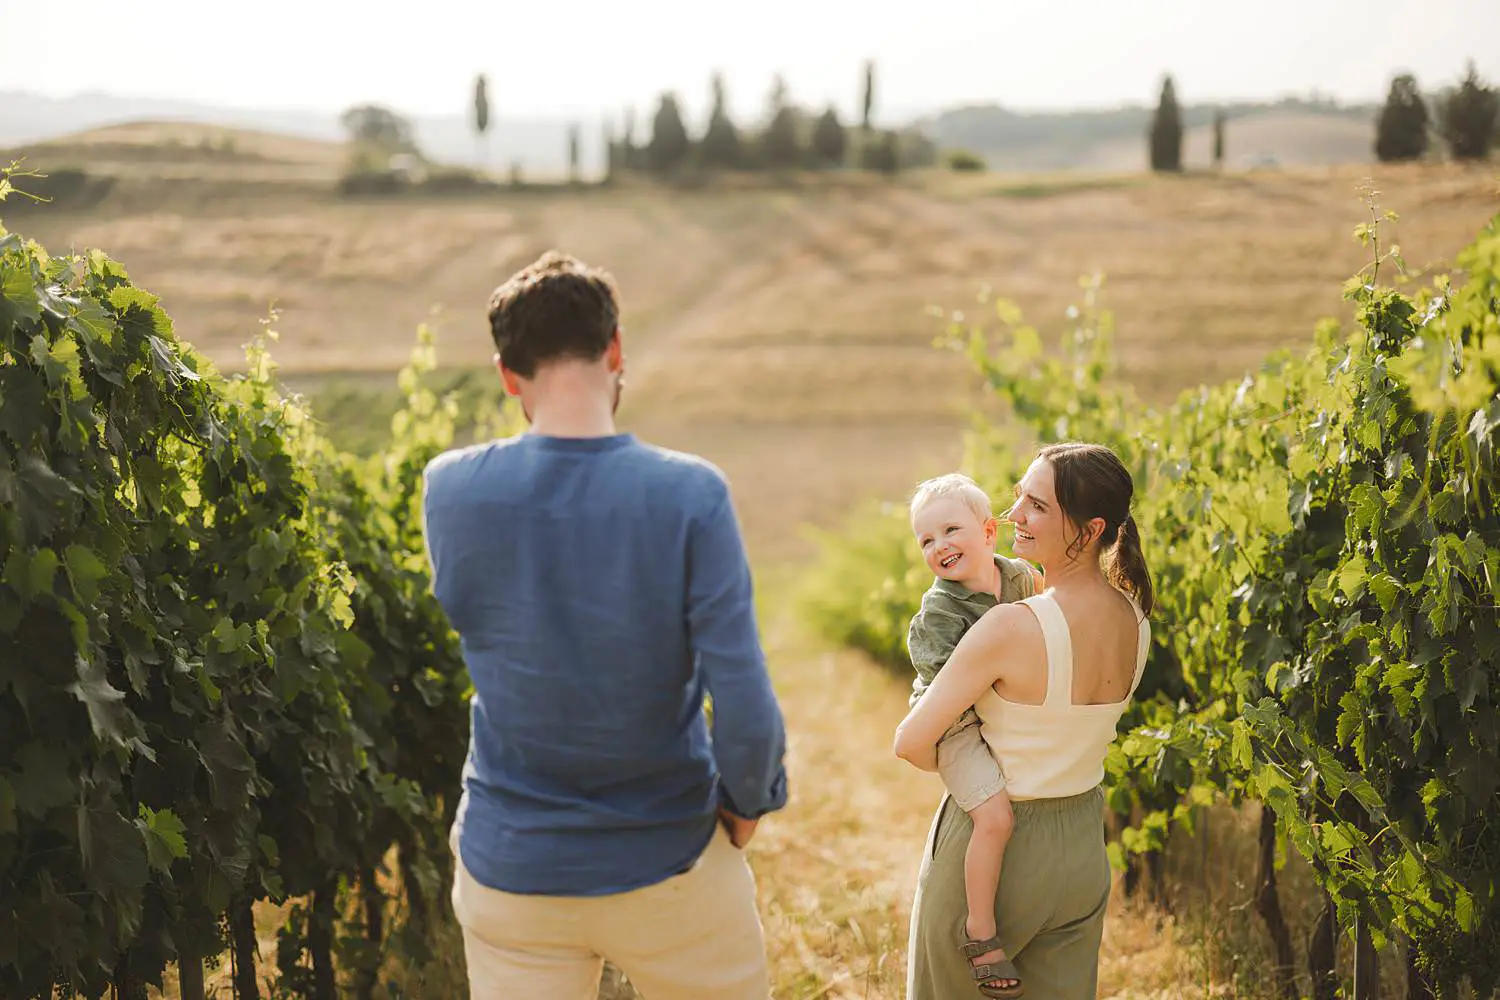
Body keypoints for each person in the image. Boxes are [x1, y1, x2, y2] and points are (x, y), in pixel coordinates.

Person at [421, 250, 789, 1000]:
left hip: (510, 870)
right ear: (616, 350)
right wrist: (748, 800)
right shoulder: (690, 495)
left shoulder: (449, 490)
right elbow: (746, 704)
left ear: (506, 373)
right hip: (668, 863)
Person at [894, 442, 1154, 1000]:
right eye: (1018, 499)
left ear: (1088, 530)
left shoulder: (1009, 626)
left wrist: (966, 764)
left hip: (997, 854)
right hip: (1084, 847)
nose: (1014, 517)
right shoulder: (1136, 619)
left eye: (1036, 505)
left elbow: (911, 743)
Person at [905, 473, 1044, 998]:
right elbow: (952, 694)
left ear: (988, 532)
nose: (939, 546)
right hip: (954, 722)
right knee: (994, 817)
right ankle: (980, 931)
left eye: (949, 530)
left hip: (995, 708)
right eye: (926, 540)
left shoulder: (1022, 579)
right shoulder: (939, 612)